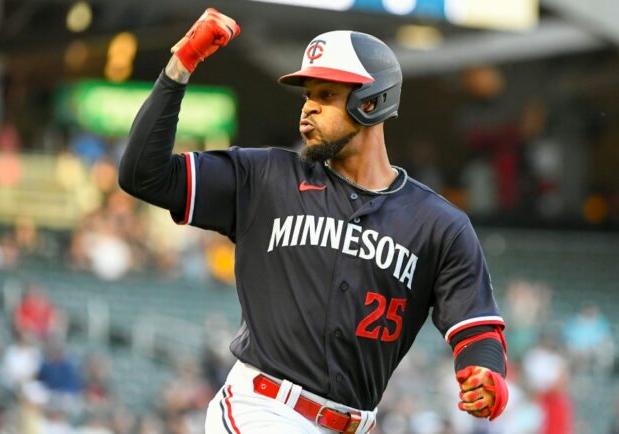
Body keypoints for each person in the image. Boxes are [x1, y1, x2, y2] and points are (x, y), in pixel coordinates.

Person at [119, 8, 508, 433]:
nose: (307, 109)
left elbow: (476, 330)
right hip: (263, 409)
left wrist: (485, 374)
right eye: (307, 95)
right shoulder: (265, 178)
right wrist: (181, 64)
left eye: (326, 95)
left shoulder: (439, 224)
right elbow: (144, 175)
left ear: (372, 101)